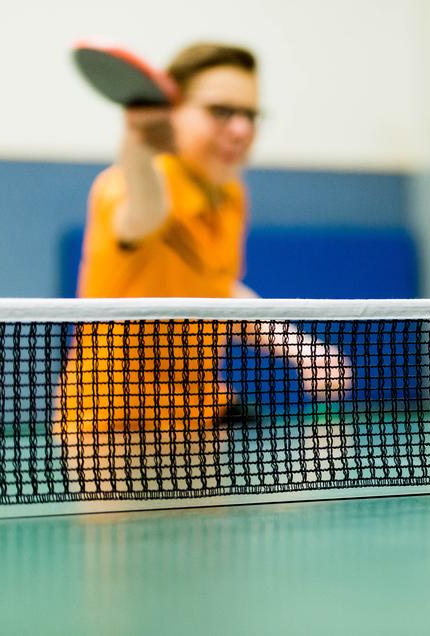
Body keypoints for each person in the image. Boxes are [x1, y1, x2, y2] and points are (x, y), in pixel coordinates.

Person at [55, 43, 351, 491]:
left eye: (251, 114)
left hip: (199, 417)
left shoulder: (231, 197)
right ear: (172, 112)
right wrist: (137, 152)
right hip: (111, 429)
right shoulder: (123, 188)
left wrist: (297, 345)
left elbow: (218, 286)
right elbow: (143, 213)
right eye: (221, 111)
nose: (241, 129)